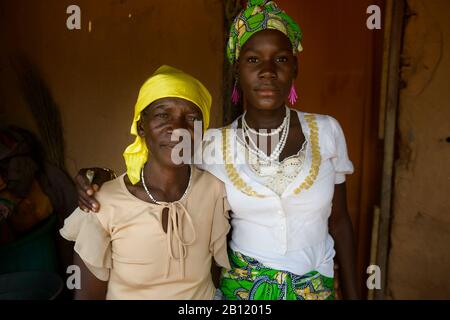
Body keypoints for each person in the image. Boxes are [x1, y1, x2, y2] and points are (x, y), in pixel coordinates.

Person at [75, 0, 360, 300]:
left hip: (315, 287)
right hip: (242, 291)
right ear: (237, 70)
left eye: (280, 59)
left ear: (294, 68)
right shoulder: (210, 144)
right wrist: (98, 177)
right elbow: (154, 163)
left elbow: (339, 222)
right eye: (253, 60)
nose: (267, 71)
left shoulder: (327, 132)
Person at [60, 65, 230, 300]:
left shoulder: (214, 190)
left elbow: (211, 271)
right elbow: (88, 295)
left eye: (192, 118)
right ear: (141, 126)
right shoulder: (102, 203)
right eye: (163, 115)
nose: (178, 128)